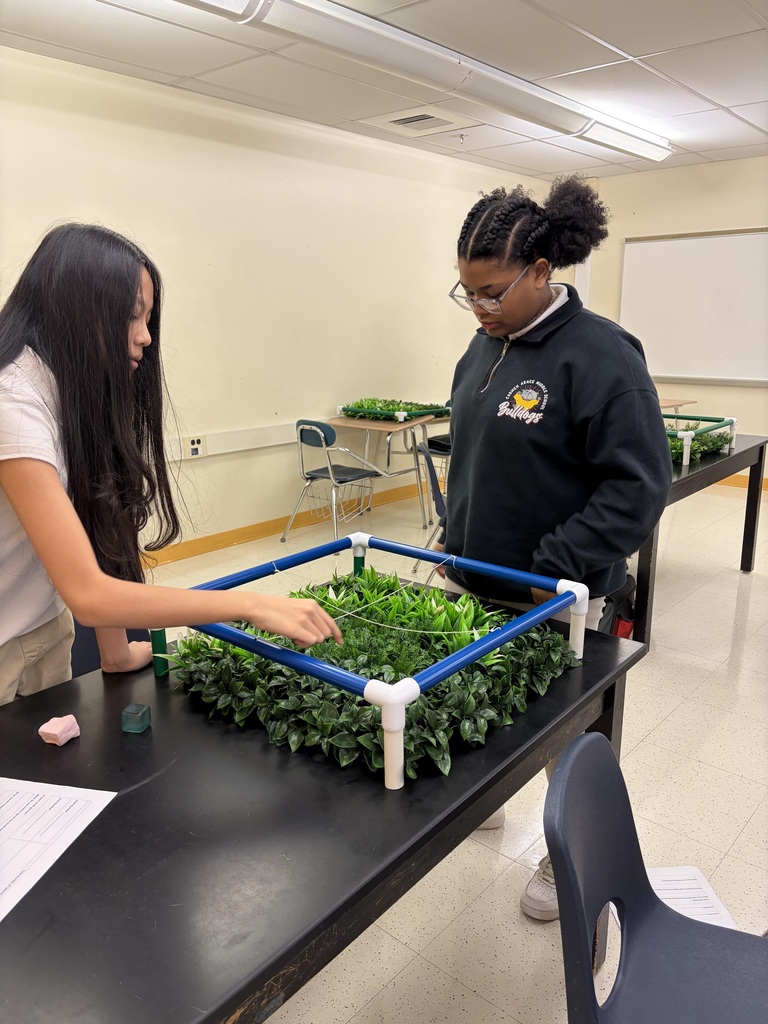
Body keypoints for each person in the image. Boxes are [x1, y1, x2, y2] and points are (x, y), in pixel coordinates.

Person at [434, 177, 672, 921]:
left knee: (566, 738)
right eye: (467, 291)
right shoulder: (483, 347)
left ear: (542, 270)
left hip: (556, 594)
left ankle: (562, 858)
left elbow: (638, 489)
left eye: (494, 291)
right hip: (473, 580)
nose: (479, 307)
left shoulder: (602, 357)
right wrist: (456, 534)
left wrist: (555, 563)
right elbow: (480, 458)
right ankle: (487, 803)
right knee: (479, 707)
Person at [0, 223, 341, 704]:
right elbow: (88, 592)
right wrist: (251, 605)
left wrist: (115, 654)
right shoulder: (12, 404)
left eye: (148, 319)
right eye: (130, 318)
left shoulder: (69, 387)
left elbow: (97, 521)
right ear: (75, 311)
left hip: (43, 628)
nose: (143, 338)